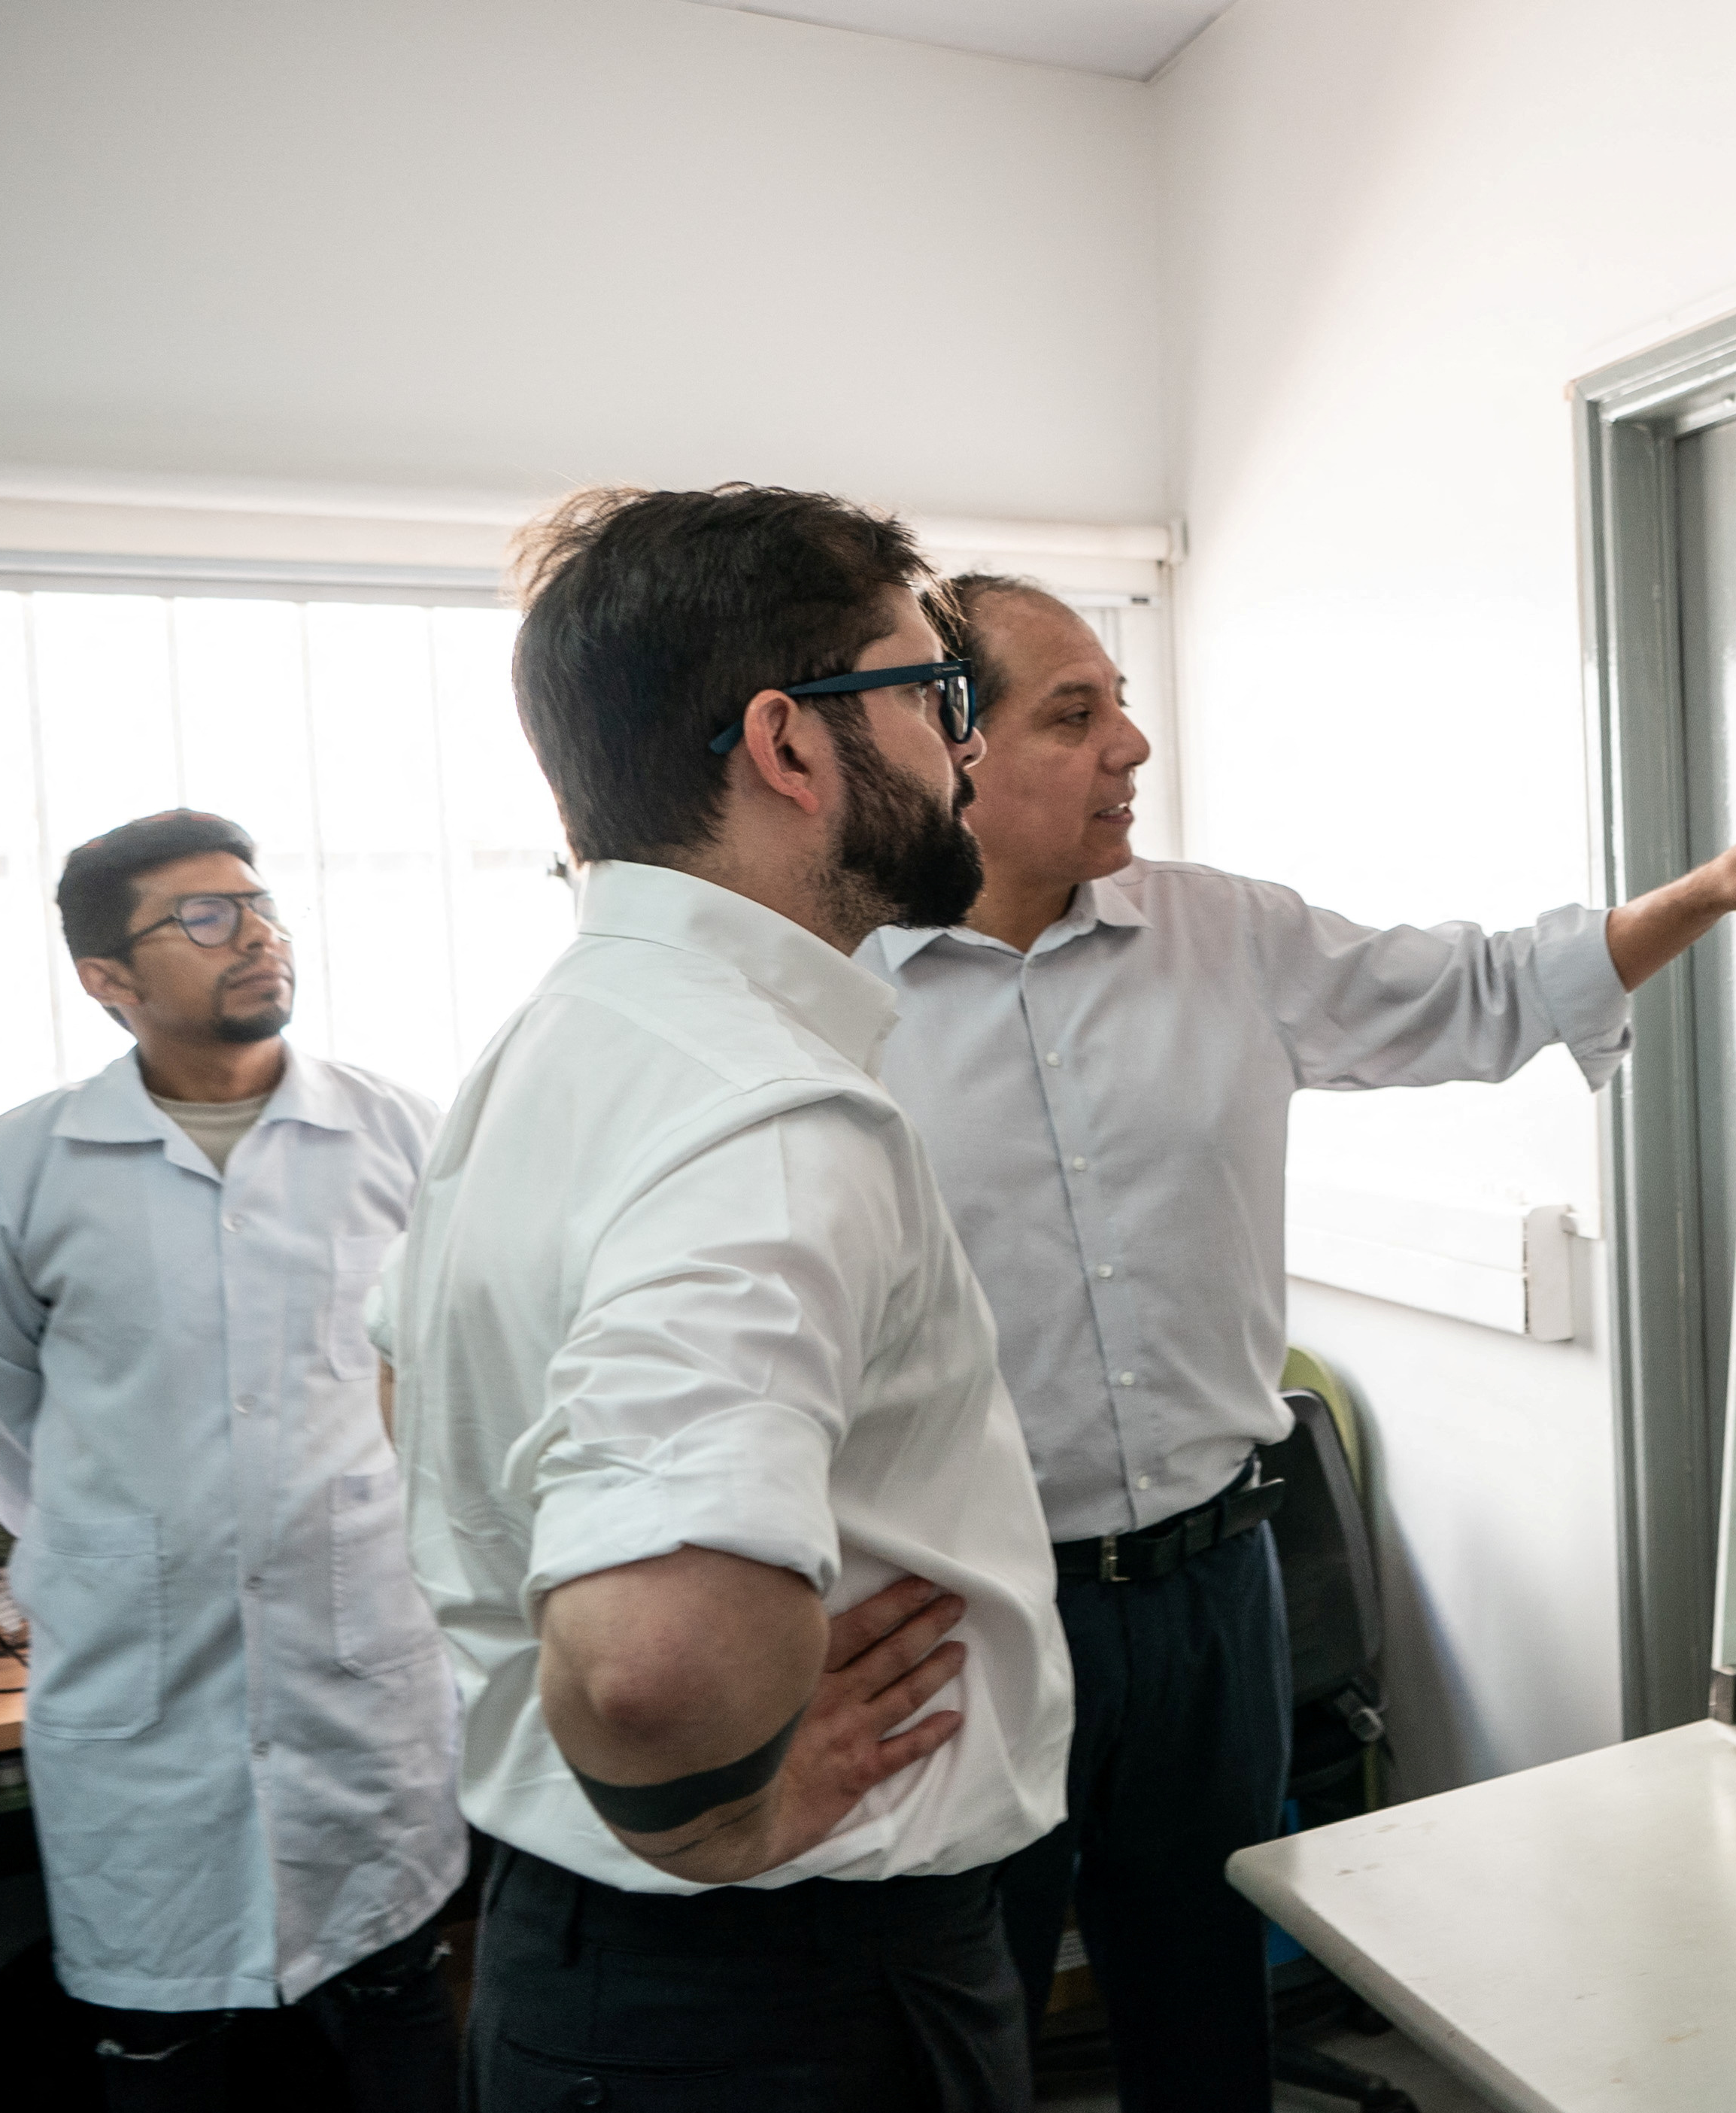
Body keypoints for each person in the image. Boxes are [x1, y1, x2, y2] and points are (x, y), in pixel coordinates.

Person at [868, 573, 1736, 2111]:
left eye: (1120, 699)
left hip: (1214, 1591)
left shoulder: (1219, 933)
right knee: (969, 2023)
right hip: (978, 1611)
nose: (1129, 744)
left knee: (1207, 2005)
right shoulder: (831, 1005)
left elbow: (1473, 991)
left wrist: (1710, 889)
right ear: (949, 748)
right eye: (1071, 716)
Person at [375, 486, 1070, 2113]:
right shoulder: (762, 1113)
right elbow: (648, 1667)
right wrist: (715, 1816)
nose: (961, 746)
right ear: (790, 743)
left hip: (590, 1969)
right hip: (779, 1996)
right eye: (931, 693)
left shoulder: (559, 1044)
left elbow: (414, 1388)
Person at [0, 809, 462, 2111]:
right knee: (162, 2053)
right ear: (106, 980)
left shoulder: (400, 1133)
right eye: (206, 917)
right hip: (141, 1697)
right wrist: (134, 1544)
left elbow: (456, 1381)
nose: (259, 937)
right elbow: (4, 1426)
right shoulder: (14, 1172)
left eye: (262, 905)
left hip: (365, 1677)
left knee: (401, 2013)